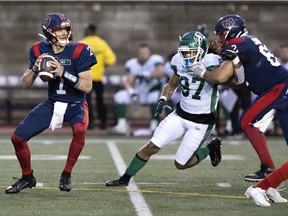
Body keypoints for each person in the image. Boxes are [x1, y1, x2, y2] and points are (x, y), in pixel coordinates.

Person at [105, 31, 222, 187]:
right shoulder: (179, 61)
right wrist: (163, 98)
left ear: (201, 50)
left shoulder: (213, 61)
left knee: (181, 164)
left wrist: (223, 60)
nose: (187, 56)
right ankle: (124, 179)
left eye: (191, 52)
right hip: (181, 114)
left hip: (201, 121)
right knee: (151, 146)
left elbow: (228, 77)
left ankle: (210, 148)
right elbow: (172, 84)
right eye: (184, 52)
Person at [189, 14, 288, 182]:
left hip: (279, 87)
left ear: (230, 31)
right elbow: (240, 80)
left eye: (221, 34)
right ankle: (269, 169)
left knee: (247, 122)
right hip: (277, 87)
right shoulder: (247, 41)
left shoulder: (238, 44)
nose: (220, 38)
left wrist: (203, 73)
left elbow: (220, 76)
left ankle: (268, 168)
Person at [5, 13, 97, 194]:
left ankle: (66, 174)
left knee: (80, 130)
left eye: (65, 30)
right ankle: (27, 177)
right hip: (53, 102)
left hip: (76, 103)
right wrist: (34, 68)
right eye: (59, 30)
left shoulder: (80, 49)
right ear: (48, 33)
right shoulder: (39, 49)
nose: (64, 34)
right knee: (17, 138)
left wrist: (63, 72)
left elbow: (87, 87)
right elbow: (24, 84)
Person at [109, 43, 165, 135]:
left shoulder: (155, 60)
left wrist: (148, 74)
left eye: (145, 52)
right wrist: (131, 91)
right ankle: (122, 125)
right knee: (119, 96)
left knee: (155, 97)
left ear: (149, 53)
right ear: (138, 53)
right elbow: (129, 80)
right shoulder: (132, 63)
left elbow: (161, 72)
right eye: (141, 52)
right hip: (138, 93)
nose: (143, 54)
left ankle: (154, 125)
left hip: (150, 93)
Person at [80, 24, 116, 129]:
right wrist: (102, 66)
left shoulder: (82, 43)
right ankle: (103, 122)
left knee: (87, 101)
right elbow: (111, 59)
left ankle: (89, 123)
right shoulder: (102, 43)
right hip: (98, 78)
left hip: (86, 77)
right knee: (100, 100)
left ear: (87, 31)